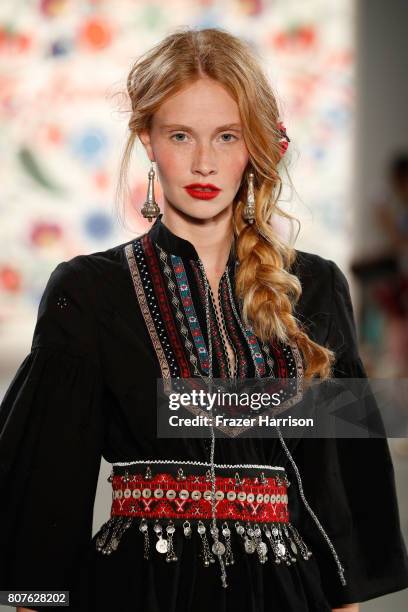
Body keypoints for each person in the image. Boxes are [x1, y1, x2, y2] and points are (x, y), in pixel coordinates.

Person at [1, 27, 408, 612]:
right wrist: (31, 601)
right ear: (147, 139)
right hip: (137, 591)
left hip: (284, 594)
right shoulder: (90, 292)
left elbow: (339, 489)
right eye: (179, 135)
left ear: (255, 145)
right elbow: (47, 490)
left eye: (226, 136)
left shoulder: (314, 289)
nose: (203, 162)